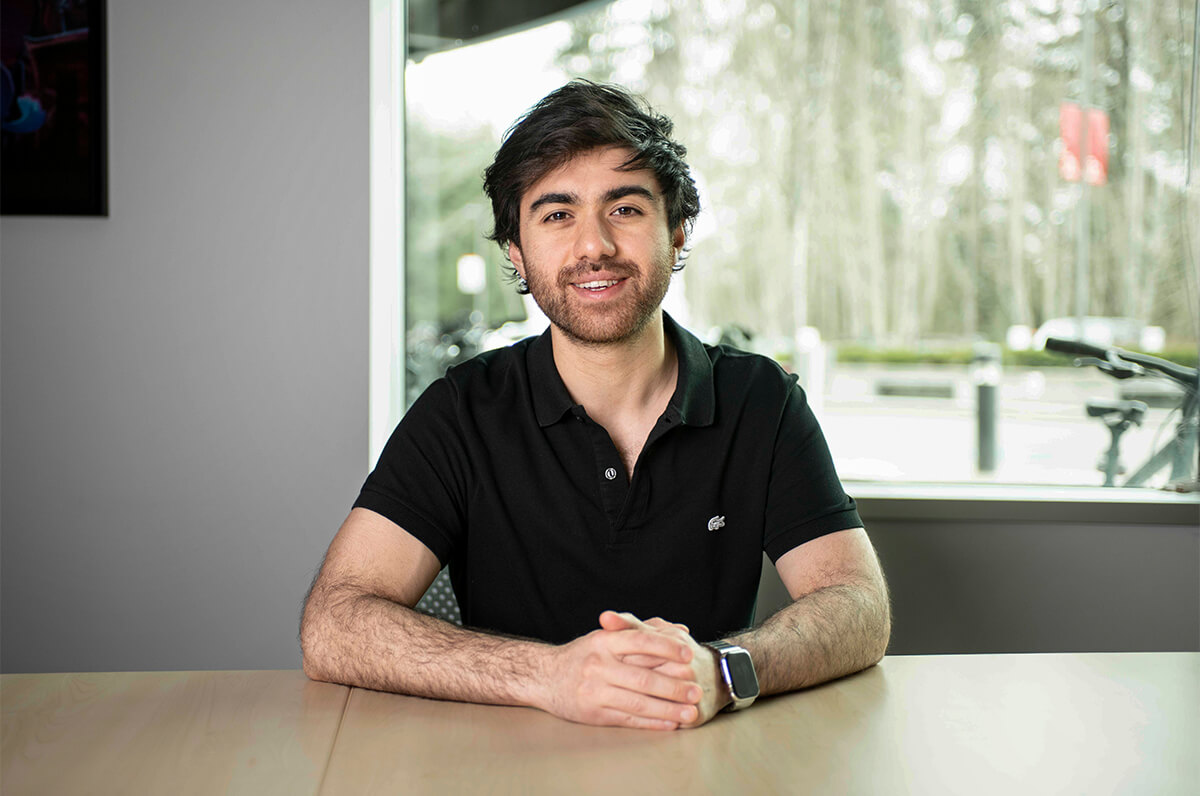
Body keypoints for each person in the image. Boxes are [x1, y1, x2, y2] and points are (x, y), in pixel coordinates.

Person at [300, 80, 890, 731]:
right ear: (517, 254)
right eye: (557, 215)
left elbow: (858, 604)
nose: (593, 247)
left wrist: (722, 671)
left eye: (626, 209)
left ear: (677, 229)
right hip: (503, 767)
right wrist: (550, 677)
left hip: (705, 760)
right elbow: (334, 623)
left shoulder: (761, 402)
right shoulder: (462, 410)